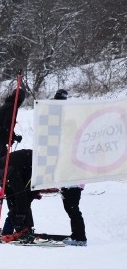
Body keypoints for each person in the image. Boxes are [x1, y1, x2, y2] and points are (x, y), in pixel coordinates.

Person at [0, 149, 38, 240]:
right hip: (27, 168)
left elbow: (20, 195)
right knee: (17, 202)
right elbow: (10, 197)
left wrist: (19, 217)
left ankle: (24, 227)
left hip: (37, 166)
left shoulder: (7, 170)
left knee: (24, 198)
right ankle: (23, 227)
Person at [52, 89, 87, 246]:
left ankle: (80, 238)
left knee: (73, 209)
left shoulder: (74, 145)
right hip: (69, 179)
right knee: (70, 208)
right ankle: (77, 236)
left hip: (73, 180)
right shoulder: (68, 144)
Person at [0, 87, 26, 161]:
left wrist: (11, 137)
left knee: (2, 161)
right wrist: (14, 137)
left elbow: (6, 125)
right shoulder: (12, 107)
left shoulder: (8, 105)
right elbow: (7, 125)